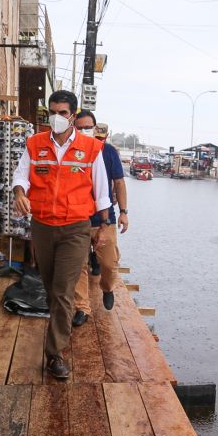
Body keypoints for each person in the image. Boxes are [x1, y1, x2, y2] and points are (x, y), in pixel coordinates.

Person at [12, 90, 111, 379]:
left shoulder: (91, 148)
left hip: (75, 228)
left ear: (73, 115)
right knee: (50, 287)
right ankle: (57, 336)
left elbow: (102, 190)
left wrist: (102, 226)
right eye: (52, 112)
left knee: (63, 291)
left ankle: (54, 353)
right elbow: (21, 176)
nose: (56, 117)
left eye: (63, 112)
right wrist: (20, 192)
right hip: (42, 226)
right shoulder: (34, 144)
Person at [72, 113, 128, 326]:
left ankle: (107, 287)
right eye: (80, 127)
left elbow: (120, 183)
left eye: (88, 127)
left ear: (95, 129)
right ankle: (82, 307)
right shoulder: (70, 151)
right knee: (79, 265)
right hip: (78, 219)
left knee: (109, 263)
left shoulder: (108, 152)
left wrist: (124, 211)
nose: (85, 130)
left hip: (105, 219)